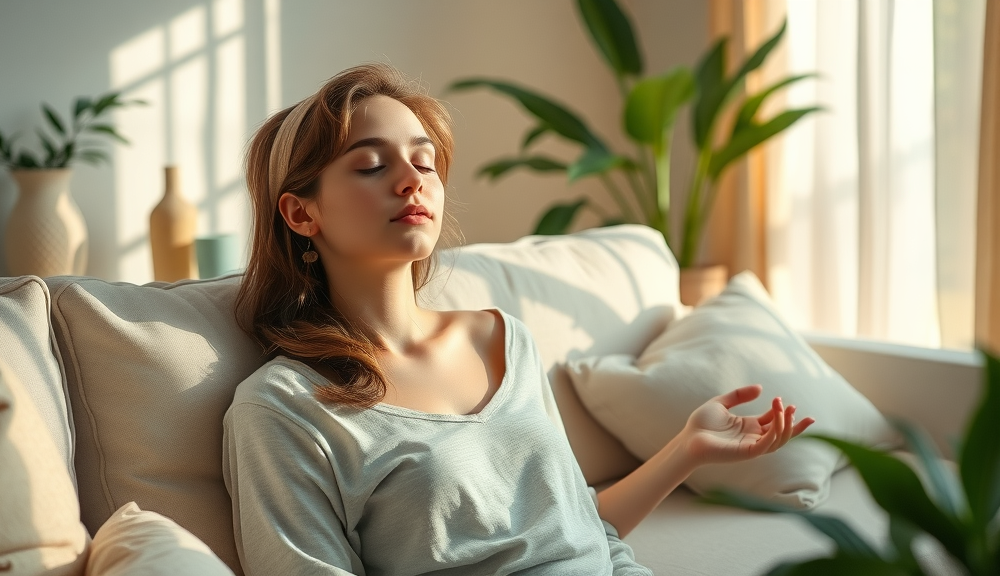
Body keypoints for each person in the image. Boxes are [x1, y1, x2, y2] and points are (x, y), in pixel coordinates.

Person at [224, 63, 815, 576]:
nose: (412, 181)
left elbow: (579, 534)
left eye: (425, 162)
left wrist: (686, 449)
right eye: (372, 165)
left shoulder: (503, 339)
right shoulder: (283, 410)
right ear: (301, 213)